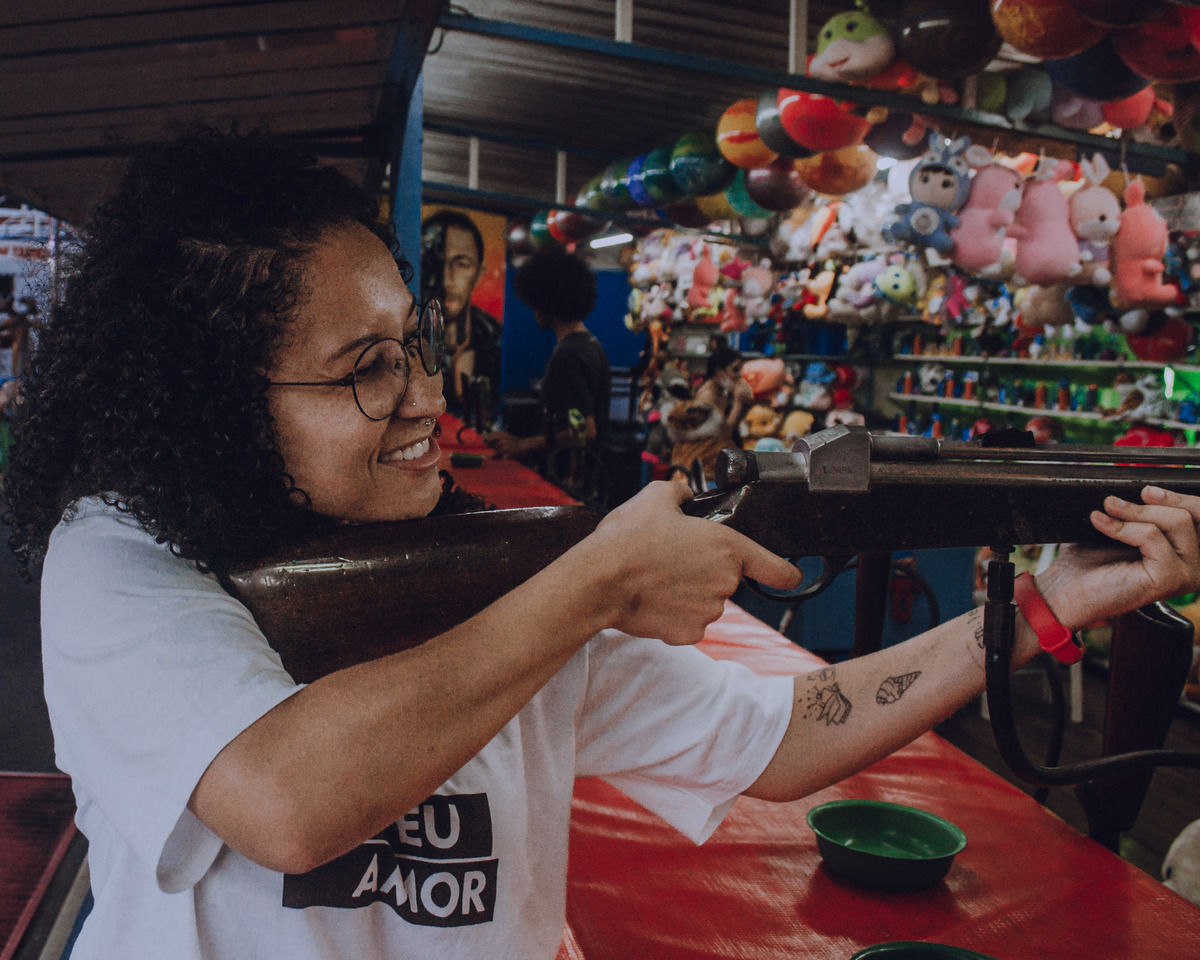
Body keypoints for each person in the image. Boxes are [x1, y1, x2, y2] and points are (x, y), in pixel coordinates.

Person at [4, 129, 1200, 960]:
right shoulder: (116, 553)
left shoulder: (505, 578)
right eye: (364, 370)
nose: (424, 396)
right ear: (213, 404)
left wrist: (1047, 605)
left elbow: (789, 738)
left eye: (412, 346)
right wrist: (599, 580)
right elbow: (286, 802)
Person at [483, 249, 610, 464]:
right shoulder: (591, 345)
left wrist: (521, 445)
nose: (533, 310)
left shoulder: (567, 355)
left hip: (568, 475)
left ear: (546, 302)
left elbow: (586, 431)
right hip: (592, 473)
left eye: (534, 304)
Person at [420, 209, 501, 410]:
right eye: (434, 263)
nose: (446, 279)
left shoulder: (495, 342)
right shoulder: (402, 340)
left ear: (479, 274)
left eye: (461, 264)